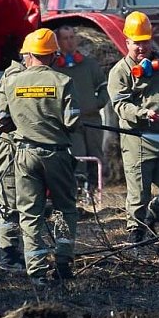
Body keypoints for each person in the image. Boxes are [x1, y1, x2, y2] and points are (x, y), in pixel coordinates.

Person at [0, 28, 81, 287]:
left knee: (30, 214)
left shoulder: (11, 82)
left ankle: (37, 273)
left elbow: (0, 121)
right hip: (57, 156)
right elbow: (72, 122)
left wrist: (26, 123)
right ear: (53, 55)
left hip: (24, 155)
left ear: (29, 54)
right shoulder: (63, 82)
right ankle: (63, 262)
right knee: (65, 208)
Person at [107, 11, 159, 243]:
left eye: (145, 41)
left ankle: (151, 216)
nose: (142, 47)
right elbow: (120, 106)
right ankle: (135, 235)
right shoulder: (120, 72)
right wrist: (143, 114)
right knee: (138, 196)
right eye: (137, 43)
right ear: (127, 42)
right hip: (138, 140)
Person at [54, 25, 109, 193]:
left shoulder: (89, 64)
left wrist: (96, 103)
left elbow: (104, 87)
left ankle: (95, 190)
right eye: (65, 38)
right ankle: (78, 191)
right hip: (70, 122)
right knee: (78, 157)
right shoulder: (55, 68)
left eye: (72, 37)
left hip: (92, 119)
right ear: (58, 42)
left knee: (95, 155)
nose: (70, 42)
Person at [0, 58, 26, 272]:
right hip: (11, 148)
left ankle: (5, 248)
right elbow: (1, 120)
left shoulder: (25, 74)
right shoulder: (14, 77)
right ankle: (8, 253)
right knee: (10, 203)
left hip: (21, 148)